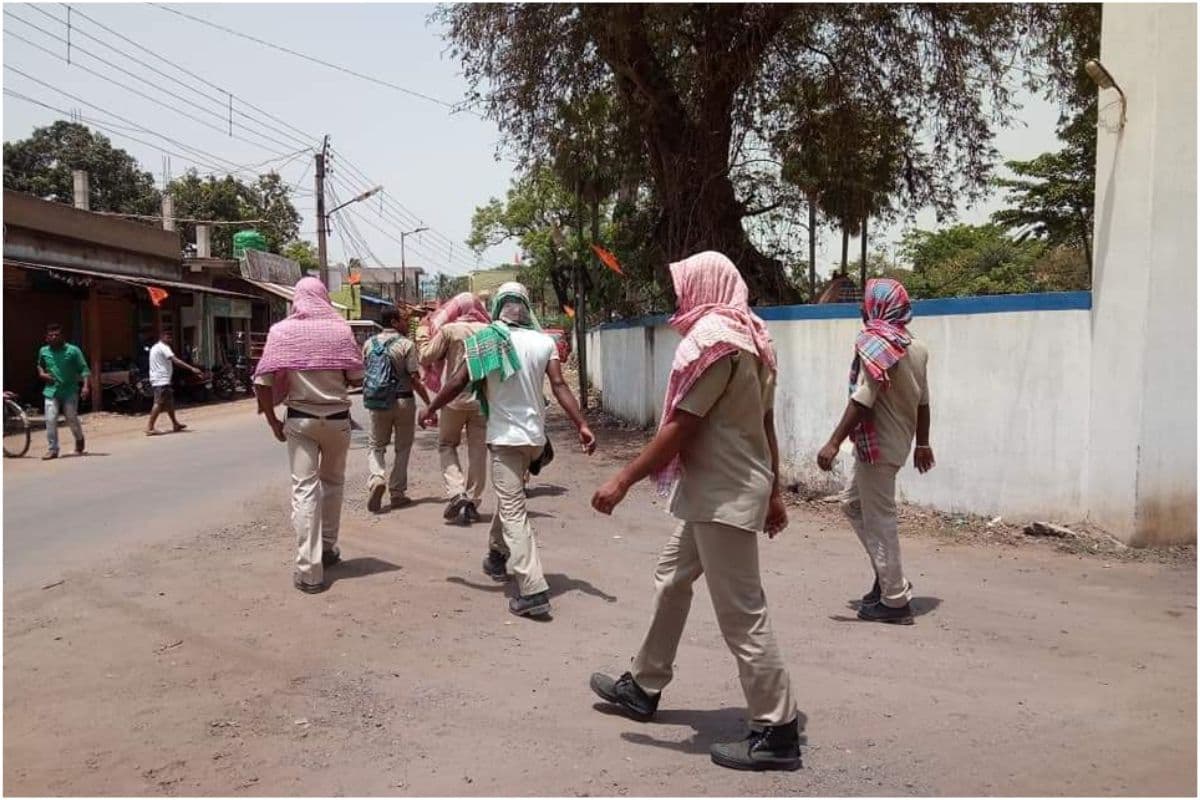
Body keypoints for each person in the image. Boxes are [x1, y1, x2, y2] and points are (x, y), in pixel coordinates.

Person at [588, 251, 800, 772]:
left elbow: (683, 426)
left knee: (743, 614)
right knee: (671, 578)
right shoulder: (755, 339)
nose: (679, 296)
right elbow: (765, 427)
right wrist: (773, 491)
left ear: (705, 286)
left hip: (722, 496)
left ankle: (777, 729)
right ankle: (644, 683)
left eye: (684, 285)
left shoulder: (717, 344)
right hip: (720, 491)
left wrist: (623, 479)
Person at [420, 282, 596, 618]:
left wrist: (430, 409)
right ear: (526, 308)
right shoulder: (544, 341)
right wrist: (582, 425)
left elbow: (457, 382)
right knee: (510, 495)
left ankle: (533, 589)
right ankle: (497, 555)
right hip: (534, 440)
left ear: (499, 306)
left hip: (505, 439)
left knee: (514, 510)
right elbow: (559, 386)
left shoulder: (488, 339)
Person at [817, 277, 933, 625]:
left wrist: (833, 441)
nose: (861, 308)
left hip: (878, 445)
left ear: (878, 307)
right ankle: (888, 577)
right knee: (852, 504)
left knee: (880, 519)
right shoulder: (915, 347)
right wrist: (923, 443)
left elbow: (865, 398)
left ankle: (895, 601)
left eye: (866, 302)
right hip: (897, 443)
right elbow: (924, 402)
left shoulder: (877, 345)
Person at [252, 278, 365, 594]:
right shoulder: (341, 330)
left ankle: (309, 571)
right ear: (324, 297)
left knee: (304, 491)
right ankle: (328, 549)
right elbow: (356, 376)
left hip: (300, 421)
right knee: (332, 485)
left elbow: (263, 381)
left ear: (297, 300)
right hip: (338, 421)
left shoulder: (281, 332)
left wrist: (273, 421)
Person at [415, 292, 491, 524]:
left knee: (447, 445)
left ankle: (457, 492)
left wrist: (421, 333)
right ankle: (473, 501)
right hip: (482, 400)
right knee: (478, 451)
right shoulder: (490, 330)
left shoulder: (449, 330)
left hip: (453, 399)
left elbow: (426, 357)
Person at [362, 306, 431, 513]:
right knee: (403, 447)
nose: (405, 322)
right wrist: (429, 403)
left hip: (378, 402)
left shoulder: (368, 344)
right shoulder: (406, 344)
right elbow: (414, 377)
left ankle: (376, 478)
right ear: (393, 322)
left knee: (376, 445)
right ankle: (397, 493)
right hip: (403, 401)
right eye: (402, 319)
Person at [36, 323, 91, 460]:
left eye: (57, 335)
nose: (54, 337)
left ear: (62, 336)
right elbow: (39, 365)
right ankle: (53, 449)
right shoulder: (43, 351)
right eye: (51, 335)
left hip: (69, 390)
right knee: (50, 419)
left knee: (71, 417)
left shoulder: (73, 350)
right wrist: (42, 374)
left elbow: (84, 369)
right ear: (46, 338)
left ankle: (79, 439)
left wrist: (85, 386)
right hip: (51, 391)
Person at [145, 330, 202, 436]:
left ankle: (175, 424)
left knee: (169, 402)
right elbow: (176, 360)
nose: (170, 338)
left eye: (171, 336)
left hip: (161, 379)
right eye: (167, 336)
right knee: (158, 403)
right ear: (161, 337)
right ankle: (150, 427)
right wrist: (192, 368)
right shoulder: (163, 347)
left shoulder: (155, 347)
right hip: (161, 380)